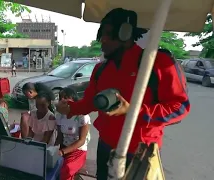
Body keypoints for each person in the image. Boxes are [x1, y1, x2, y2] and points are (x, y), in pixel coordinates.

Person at [56, 8, 190, 180]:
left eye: (108, 34)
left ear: (125, 34)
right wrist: (70, 108)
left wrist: (133, 111)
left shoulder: (157, 63)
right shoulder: (101, 69)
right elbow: (89, 103)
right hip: (106, 147)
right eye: (101, 34)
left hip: (141, 152)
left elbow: (180, 108)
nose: (102, 40)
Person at [55, 88, 91, 180]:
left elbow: (82, 141)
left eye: (66, 97)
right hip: (63, 147)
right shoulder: (59, 115)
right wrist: (53, 149)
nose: (63, 100)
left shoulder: (82, 116)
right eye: (61, 98)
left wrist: (63, 152)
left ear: (73, 99)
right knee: (51, 166)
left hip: (78, 150)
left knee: (66, 170)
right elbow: (59, 137)